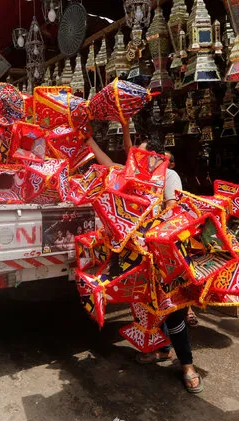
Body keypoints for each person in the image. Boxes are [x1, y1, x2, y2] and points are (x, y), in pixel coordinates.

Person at [87, 123, 203, 393]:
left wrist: (145, 226)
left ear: (155, 159)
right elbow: (109, 163)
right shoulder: (129, 177)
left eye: (140, 156)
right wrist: (90, 141)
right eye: (134, 157)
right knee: (142, 307)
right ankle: (161, 350)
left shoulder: (169, 177)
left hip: (159, 255)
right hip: (133, 255)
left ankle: (187, 365)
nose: (134, 160)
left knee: (171, 310)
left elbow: (172, 211)